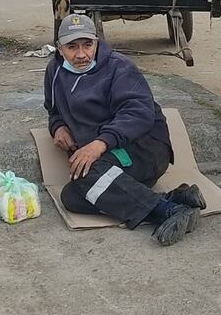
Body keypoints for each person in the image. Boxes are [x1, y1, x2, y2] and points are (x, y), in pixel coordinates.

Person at [44, 14, 205, 246]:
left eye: (87, 45)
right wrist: (58, 127)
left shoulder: (119, 67)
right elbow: (52, 110)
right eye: (72, 47)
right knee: (71, 197)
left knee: (87, 175)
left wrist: (100, 144)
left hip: (145, 149)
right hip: (109, 160)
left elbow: (138, 114)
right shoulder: (54, 71)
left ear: (96, 43)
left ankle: (168, 211)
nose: (81, 54)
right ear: (60, 49)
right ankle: (174, 198)